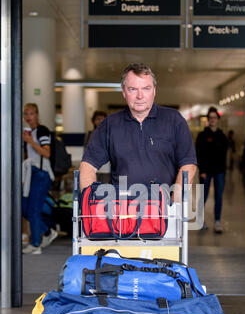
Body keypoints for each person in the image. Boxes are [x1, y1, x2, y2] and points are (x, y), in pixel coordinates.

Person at [80, 63, 197, 200]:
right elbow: (88, 165)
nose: (140, 96)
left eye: (146, 88)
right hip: (121, 213)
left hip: (162, 210)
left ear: (154, 90)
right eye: (133, 89)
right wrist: (92, 205)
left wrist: (173, 206)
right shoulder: (109, 125)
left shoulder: (174, 120)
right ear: (124, 92)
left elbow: (188, 165)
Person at [22, 103, 58, 254]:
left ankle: (36, 244)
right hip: (31, 174)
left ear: (36, 114)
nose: (28, 117)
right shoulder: (30, 132)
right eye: (26, 114)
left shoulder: (42, 131)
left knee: (34, 210)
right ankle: (48, 232)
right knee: (25, 208)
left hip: (41, 174)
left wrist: (30, 142)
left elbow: (46, 153)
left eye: (31, 113)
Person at [195, 106, 228, 234]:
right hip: (206, 171)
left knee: (218, 196)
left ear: (218, 119)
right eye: (210, 118)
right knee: (203, 197)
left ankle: (217, 222)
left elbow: (224, 153)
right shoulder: (202, 135)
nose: (212, 120)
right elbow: (198, 153)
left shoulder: (222, 136)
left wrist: (224, 170)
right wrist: (202, 170)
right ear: (208, 120)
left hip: (219, 171)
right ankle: (200, 221)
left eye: (215, 117)